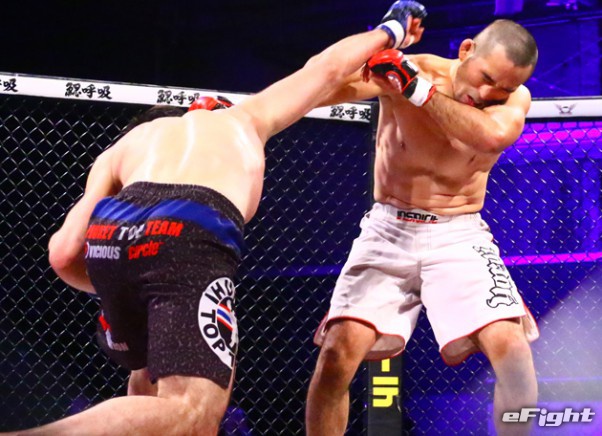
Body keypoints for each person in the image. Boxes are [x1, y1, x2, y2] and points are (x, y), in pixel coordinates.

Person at [5, 6, 426, 435]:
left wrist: (125, 279)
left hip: (113, 237)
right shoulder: (245, 118)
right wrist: (392, 28)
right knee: (192, 411)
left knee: (150, 379)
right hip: (187, 229)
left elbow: (62, 254)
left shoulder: (128, 145)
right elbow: (327, 68)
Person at [306, 4, 540, 436]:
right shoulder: (413, 69)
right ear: (466, 50)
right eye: (486, 77)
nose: (489, 93)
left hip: (459, 234)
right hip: (388, 230)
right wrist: (384, 39)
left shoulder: (510, 97)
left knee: (515, 358)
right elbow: (318, 84)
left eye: (503, 87)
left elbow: (491, 135)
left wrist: (415, 90)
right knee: (337, 355)